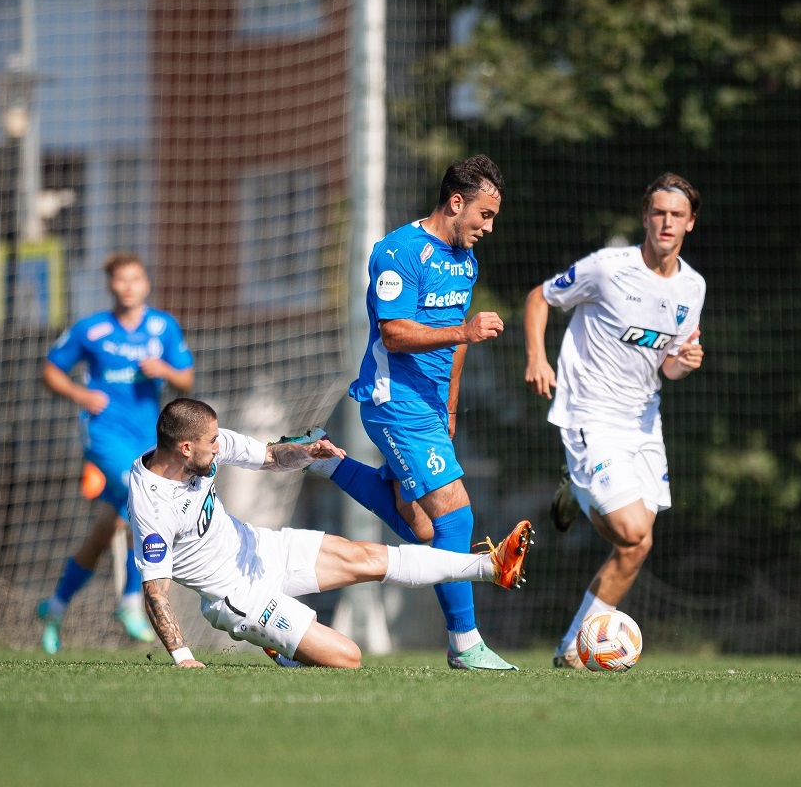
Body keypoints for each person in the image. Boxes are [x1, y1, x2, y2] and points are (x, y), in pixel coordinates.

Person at [296, 155, 518, 669]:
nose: (488, 228)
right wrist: (465, 332)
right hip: (393, 401)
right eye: (484, 215)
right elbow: (395, 335)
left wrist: (452, 405)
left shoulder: (465, 259)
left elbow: (456, 344)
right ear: (456, 202)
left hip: (430, 408)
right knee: (456, 517)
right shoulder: (398, 252)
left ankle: (325, 458)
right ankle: (466, 645)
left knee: (423, 530)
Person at [131, 398, 534, 668]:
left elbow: (271, 456)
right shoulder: (152, 505)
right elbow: (155, 592)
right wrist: (183, 657)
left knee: (370, 558)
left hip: (262, 548)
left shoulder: (205, 447)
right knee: (348, 658)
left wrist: (308, 453)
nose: (220, 447)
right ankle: (279, 644)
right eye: (211, 442)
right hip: (237, 597)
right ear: (185, 447)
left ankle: (490, 566)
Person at [523, 173, 706, 669]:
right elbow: (540, 297)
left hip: (644, 422)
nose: (666, 222)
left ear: (690, 223)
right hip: (591, 414)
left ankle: (572, 650)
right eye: (658, 213)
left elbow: (667, 364)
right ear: (646, 217)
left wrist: (682, 364)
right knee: (629, 530)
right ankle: (580, 487)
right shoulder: (608, 268)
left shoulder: (694, 286)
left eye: (676, 215)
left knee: (637, 543)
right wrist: (537, 358)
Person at [36, 251, 195, 654]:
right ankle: (128, 603)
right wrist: (79, 394)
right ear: (110, 285)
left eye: (135, 279)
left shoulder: (163, 327)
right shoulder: (91, 330)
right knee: (137, 502)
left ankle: (54, 608)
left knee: (106, 529)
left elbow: (186, 379)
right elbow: (51, 369)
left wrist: (165, 371)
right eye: (120, 280)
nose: (128, 286)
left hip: (147, 438)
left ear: (146, 283)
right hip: (104, 436)